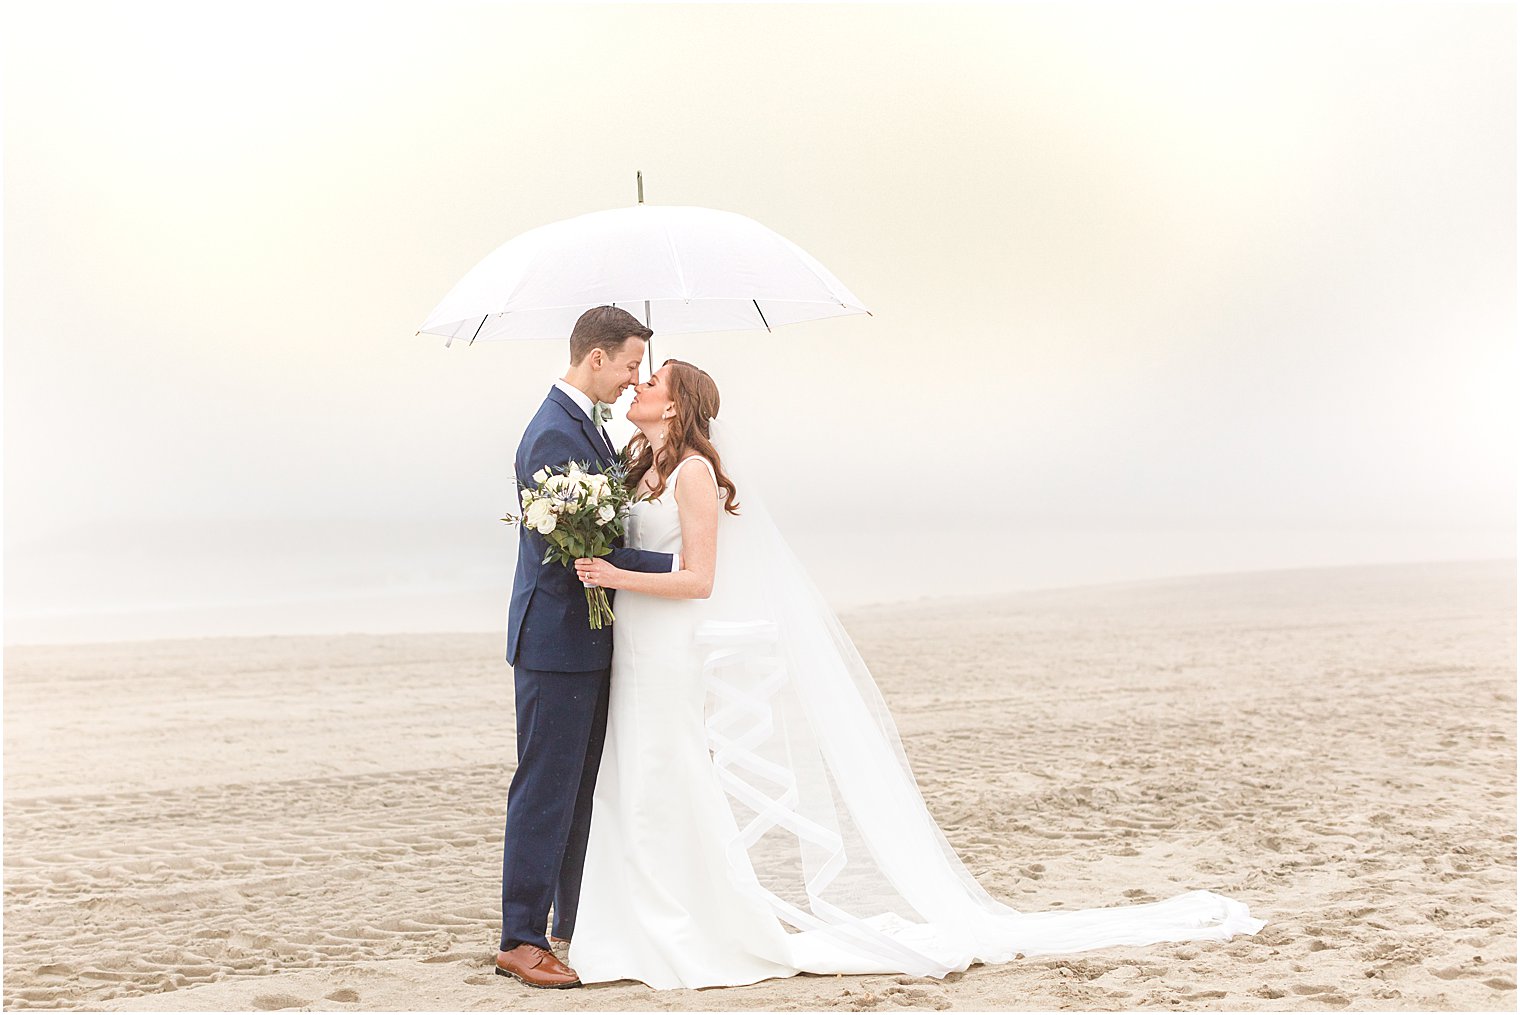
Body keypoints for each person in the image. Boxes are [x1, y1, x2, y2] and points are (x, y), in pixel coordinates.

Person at [560, 358, 1266, 991]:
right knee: (638, 773)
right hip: (635, 646)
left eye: (651, 381)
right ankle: (637, 919)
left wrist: (613, 572)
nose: (639, 385)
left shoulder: (692, 475)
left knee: (670, 770)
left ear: (677, 405)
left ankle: (689, 926)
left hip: (669, 643)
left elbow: (700, 579)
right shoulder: (638, 466)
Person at [494, 306, 684, 989]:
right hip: (554, 641)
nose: (635, 378)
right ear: (595, 356)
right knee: (546, 788)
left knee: (580, 793)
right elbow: (578, 547)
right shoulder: (552, 431)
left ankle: (568, 924)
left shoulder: (589, 428)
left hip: (589, 638)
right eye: (631, 363)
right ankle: (521, 936)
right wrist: (681, 568)